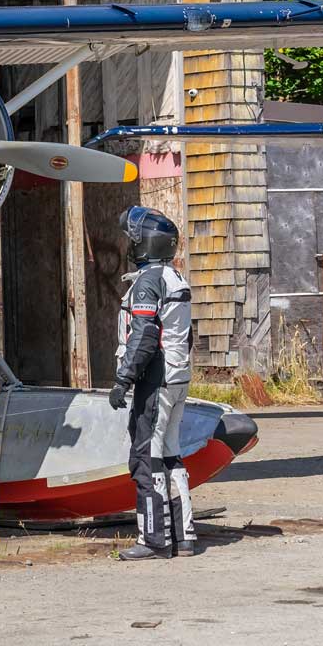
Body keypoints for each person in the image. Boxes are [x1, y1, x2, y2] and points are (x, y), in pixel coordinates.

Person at [108, 206, 197, 561]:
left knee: (146, 456)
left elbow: (144, 334)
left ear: (145, 244)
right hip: (178, 376)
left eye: (133, 240)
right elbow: (187, 335)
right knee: (170, 455)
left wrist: (123, 380)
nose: (129, 245)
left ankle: (153, 539)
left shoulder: (148, 281)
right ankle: (184, 536)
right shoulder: (175, 278)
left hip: (156, 378)